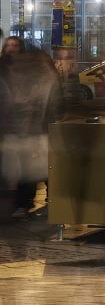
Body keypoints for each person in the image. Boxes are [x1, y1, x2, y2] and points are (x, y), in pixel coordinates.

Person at [1, 46, 62, 216]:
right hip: (31, 132)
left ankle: (32, 204)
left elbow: (50, 108)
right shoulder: (33, 78)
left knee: (42, 170)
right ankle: (26, 204)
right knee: (34, 170)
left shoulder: (47, 80)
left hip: (40, 132)